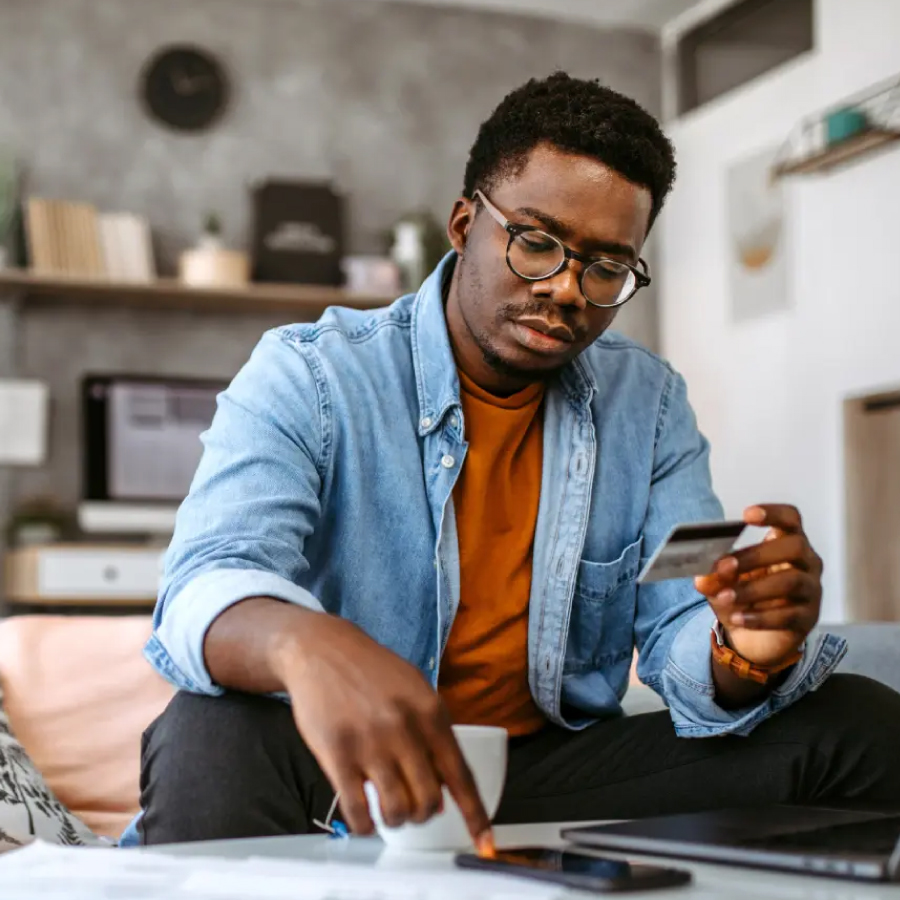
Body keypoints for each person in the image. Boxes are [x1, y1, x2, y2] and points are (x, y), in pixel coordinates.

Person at [136, 72, 900, 847]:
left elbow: (678, 627)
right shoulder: (314, 374)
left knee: (860, 722)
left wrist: (747, 648)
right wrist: (305, 645)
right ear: (464, 223)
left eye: (606, 268)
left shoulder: (649, 403)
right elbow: (207, 578)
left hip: (537, 776)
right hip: (345, 771)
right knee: (208, 731)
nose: (568, 288)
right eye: (537, 242)